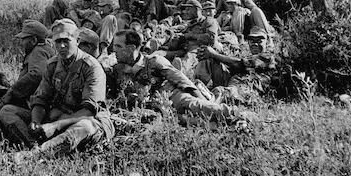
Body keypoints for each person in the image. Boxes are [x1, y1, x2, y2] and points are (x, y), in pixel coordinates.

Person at [9, 19, 114, 164]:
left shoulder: (91, 68)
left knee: (85, 127)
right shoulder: (52, 65)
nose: (62, 46)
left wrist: (55, 126)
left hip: (88, 120)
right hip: (57, 117)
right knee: (8, 111)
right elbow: (41, 98)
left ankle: (34, 156)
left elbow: (89, 111)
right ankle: (33, 144)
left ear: (77, 40)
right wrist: (36, 121)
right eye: (57, 42)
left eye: (66, 40)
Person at [106, 30, 251, 127]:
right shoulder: (117, 69)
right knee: (188, 122)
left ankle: (238, 114)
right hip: (152, 108)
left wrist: (200, 99)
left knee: (196, 106)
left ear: (131, 48)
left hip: (171, 95)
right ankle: (227, 124)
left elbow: (181, 80)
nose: (114, 51)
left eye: (118, 46)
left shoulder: (153, 61)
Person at [197, 26, 276, 104]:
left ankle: (203, 99)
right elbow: (232, 66)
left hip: (248, 88)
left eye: (259, 41)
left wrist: (213, 54)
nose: (255, 44)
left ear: (267, 42)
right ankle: (198, 86)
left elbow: (239, 63)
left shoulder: (268, 57)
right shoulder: (247, 56)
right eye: (252, 41)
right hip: (233, 84)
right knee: (209, 59)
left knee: (222, 93)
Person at [155, 0, 217, 75]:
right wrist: (178, 39)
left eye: (188, 9)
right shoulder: (190, 23)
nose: (185, 12)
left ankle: (178, 73)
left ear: (196, 10)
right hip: (184, 49)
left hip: (199, 50)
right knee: (159, 54)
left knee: (187, 60)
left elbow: (212, 38)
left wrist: (192, 36)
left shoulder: (208, 21)